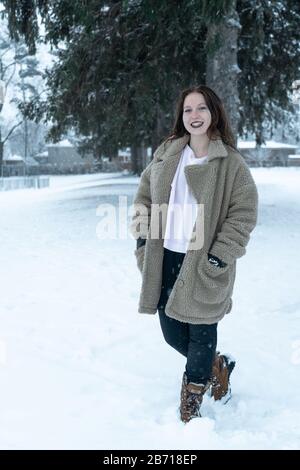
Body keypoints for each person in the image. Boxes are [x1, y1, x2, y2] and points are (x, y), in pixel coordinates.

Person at [131, 85, 258, 423]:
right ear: (181, 116)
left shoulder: (230, 163)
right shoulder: (167, 152)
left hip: (204, 260)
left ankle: (192, 400)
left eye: (201, 108)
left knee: (201, 332)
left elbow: (243, 212)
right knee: (173, 333)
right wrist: (143, 240)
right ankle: (216, 365)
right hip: (165, 256)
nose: (194, 115)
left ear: (213, 113)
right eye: (188, 109)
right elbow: (143, 196)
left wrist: (220, 254)